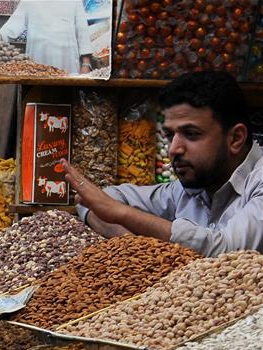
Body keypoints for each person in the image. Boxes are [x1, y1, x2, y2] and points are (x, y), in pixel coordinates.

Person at [64, 71, 263, 257]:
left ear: (235, 139)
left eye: (191, 134)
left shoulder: (258, 181)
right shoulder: (187, 189)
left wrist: (121, 214)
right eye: (169, 135)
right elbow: (94, 202)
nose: (174, 149)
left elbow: (229, 252)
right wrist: (140, 249)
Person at [0, 0, 93, 74]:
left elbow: (82, 31)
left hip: (67, 64)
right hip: (37, 66)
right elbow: (13, 25)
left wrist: (86, 64)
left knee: (68, 100)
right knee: (37, 99)